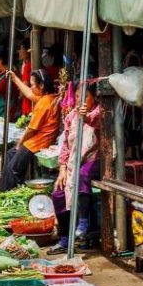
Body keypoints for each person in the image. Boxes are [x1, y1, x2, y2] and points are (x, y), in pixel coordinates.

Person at [48, 79, 101, 255]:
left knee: (82, 177)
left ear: (94, 97)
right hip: (72, 162)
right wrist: (62, 170)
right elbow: (65, 146)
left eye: (84, 96)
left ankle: (83, 222)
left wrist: (85, 116)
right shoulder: (71, 116)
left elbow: (94, 122)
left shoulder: (100, 111)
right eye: (77, 96)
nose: (80, 100)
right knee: (58, 193)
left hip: (93, 158)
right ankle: (64, 239)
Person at [0, 69, 60, 192]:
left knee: (12, 169)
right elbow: (30, 94)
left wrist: (19, 143)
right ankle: (1, 190)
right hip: (36, 141)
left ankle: (6, 193)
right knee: (10, 155)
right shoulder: (50, 97)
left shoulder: (44, 103)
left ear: (41, 85)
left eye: (32, 85)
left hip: (36, 144)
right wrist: (15, 78)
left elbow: (31, 130)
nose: (31, 88)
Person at [18, 39, 32, 116]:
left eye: (21, 49)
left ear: (28, 51)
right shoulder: (25, 65)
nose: (19, 51)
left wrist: (20, 94)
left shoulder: (28, 66)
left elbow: (24, 88)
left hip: (28, 105)